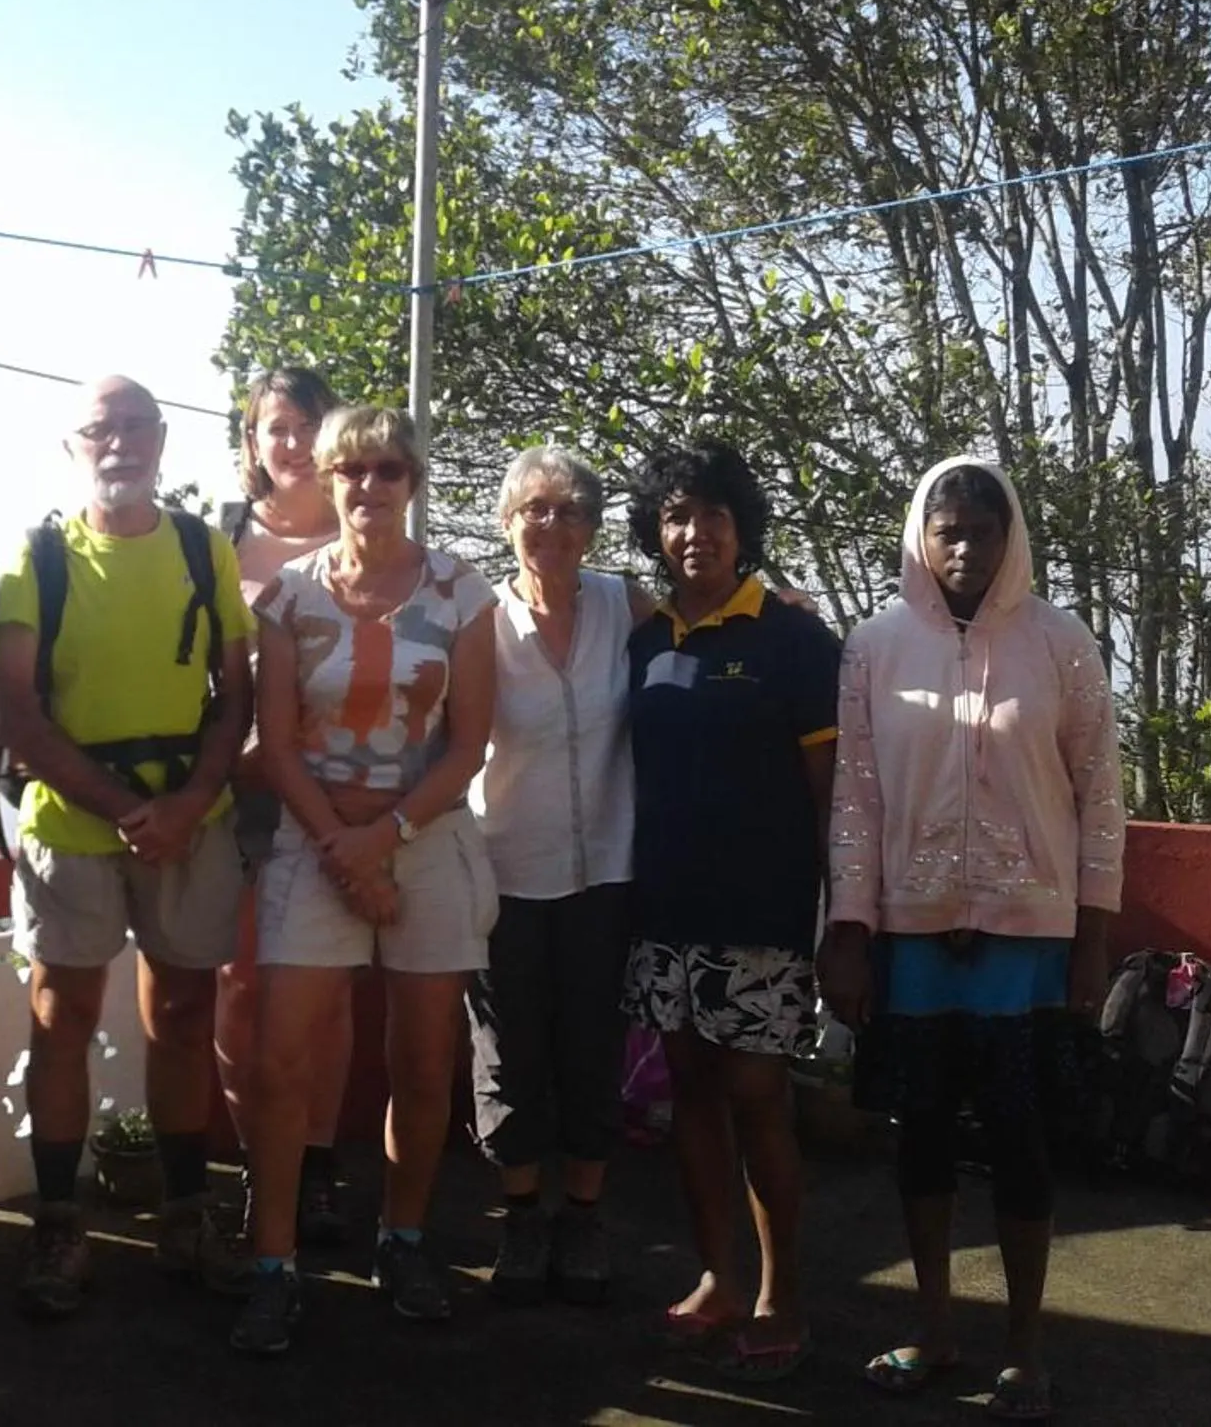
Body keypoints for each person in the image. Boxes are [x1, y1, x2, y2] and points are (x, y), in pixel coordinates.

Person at [821, 457, 1125, 1422]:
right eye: (946, 530)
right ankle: (935, 1328)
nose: (963, 548)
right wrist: (849, 929)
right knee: (918, 1144)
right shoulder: (873, 647)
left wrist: (1091, 935)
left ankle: (1026, 1348)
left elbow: (1100, 796)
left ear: (1009, 537)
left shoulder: (1060, 643)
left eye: (981, 531)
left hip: (1027, 939)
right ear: (920, 533)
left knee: (1021, 1141)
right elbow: (856, 801)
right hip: (911, 940)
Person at [234, 405, 501, 1356]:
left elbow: (467, 744)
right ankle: (272, 1261)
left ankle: (406, 1239)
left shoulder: (462, 593)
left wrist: (383, 840)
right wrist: (344, 850)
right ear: (329, 478)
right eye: (352, 470)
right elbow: (274, 743)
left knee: (425, 1064)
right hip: (317, 839)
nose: (369, 487)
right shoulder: (290, 597)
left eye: (389, 470)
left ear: (412, 481)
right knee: (278, 1065)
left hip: (422, 839)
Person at [0, 375, 256, 1320]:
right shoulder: (37, 558)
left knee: (182, 1011)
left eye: (135, 426)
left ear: (162, 438)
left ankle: (184, 1212)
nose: (119, 444)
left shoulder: (202, 548)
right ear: (72, 446)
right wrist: (122, 808)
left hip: (190, 816)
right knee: (61, 1016)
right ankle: (60, 1222)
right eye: (99, 430)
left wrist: (189, 802)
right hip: (71, 823)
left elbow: (237, 695)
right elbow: (18, 712)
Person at [621, 439, 843, 1382]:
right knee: (693, 1103)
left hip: (761, 918)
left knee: (758, 1101)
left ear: (741, 529)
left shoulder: (794, 639)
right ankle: (717, 1276)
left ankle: (779, 1292)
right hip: (663, 915)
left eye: (712, 514)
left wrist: (842, 920)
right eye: (675, 515)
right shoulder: (644, 640)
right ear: (657, 533)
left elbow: (831, 793)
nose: (694, 532)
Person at [470, 447, 661, 1308]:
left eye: (568, 511)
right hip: (502, 870)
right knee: (508, 1056)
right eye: (533, 510)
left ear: (590, 529)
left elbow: (707, 618)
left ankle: (580, 1216)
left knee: (590, 1052)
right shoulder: (477, 617)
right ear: (507, 523)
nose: (550, 525)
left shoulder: (623, 602)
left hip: (603, 875)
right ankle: (518, 1220)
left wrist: (787, 609)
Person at [212, 365, 354, 1247]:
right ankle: (251, 1165)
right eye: (276, 427)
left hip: (330, 790)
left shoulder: (364, 534)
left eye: (308, 422)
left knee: (325, 986)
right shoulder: (217, 543)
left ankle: (315, 1165)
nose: (293, 442)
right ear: (252, 444)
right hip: (229, 793)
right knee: (235, 984)